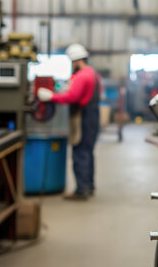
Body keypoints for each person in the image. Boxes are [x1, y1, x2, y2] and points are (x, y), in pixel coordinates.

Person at [37, 43, 102, 200]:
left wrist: (50, 96)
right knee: (88, 151)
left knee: (80, 152)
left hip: (83, 117)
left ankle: (82, 190)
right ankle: (89, 186)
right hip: (93, 115)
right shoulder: (93, 74)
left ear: (76, 61)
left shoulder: (82, 76)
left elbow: (71, 97)